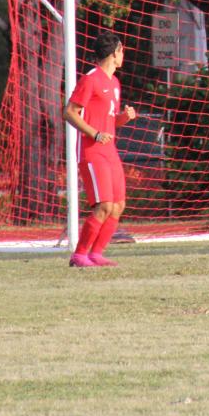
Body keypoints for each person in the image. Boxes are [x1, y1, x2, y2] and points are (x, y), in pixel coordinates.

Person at [63, 32, 136, 268]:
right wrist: (93, 133)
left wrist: (125, 117)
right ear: (114, 52)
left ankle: (96, 254)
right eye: (122, 50)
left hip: (110, 150)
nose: (123, 55)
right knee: (103, 205)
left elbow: (110, 122)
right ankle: (79, 255)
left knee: (118, 205)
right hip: (92, 151)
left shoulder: (114, 83)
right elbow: (69, 112)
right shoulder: (91, 79)